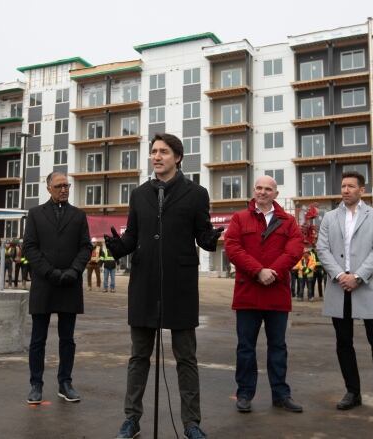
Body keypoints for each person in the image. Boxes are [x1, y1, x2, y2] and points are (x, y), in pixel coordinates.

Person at [104, 133, 223, 439]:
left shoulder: (196, 194)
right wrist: (117, 248)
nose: (157, 157)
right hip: (144, 285)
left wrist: (213, 238)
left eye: (164, 152)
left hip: (180, 287)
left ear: (178, 157)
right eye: (154, 152)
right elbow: (132, 237)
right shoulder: (140, 194)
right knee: (138, 357)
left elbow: (202, 235)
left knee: (186, 357)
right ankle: (131, 419)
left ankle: (192, 423)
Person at [316, 171, 373, 422]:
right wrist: (339, 276)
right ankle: (352, 392)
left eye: (351, 186)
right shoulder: (329, 217)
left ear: (362, 190)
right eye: (343, 185)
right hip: (339, 287)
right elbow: (322, 249)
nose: (345, 190)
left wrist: (357, 277)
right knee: (343, 343)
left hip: (366, 287)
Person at [224, 175, 304, 414]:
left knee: (278, 346)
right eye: (259, 188)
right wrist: (258, 271)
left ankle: (281, 394)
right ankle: (245, 394)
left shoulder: (288, 222)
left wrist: (274, 272)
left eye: (268, 189)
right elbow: (232, 248)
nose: (262, 192)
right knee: (245, 347)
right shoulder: (239, 218)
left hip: (276, 293)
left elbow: (295, 250)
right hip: (248, 293)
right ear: (253, 191)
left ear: (276, 194)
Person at [22, 172, 92, 405]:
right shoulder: (35, 214)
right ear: (48, 187)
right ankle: (36, 385)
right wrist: (49, 272)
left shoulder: (78, 216)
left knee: (67, 339)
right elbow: (30, 248)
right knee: (38, 339)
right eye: (59, 185)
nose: (64, 189)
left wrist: (74, 270)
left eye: (67, 185)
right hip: (44, 284)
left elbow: (85, 247)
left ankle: (65, 383)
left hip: (70, 284)